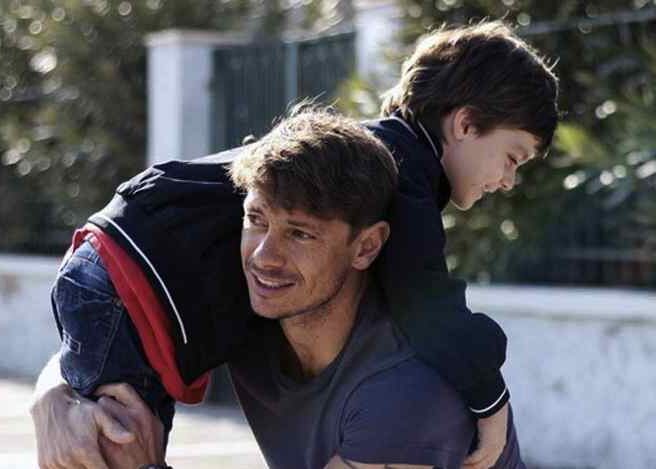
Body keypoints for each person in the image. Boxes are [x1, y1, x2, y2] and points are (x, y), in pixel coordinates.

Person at [30, 20, 559, 469]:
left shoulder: (360, 163)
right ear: (465, 123)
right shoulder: (393, 173)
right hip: (128, 276)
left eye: (300, 231)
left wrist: (53, 389)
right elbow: (429, 302)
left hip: (112, 262)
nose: (507, 181)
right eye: (511, 158)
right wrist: (491, 403)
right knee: (110, 444)